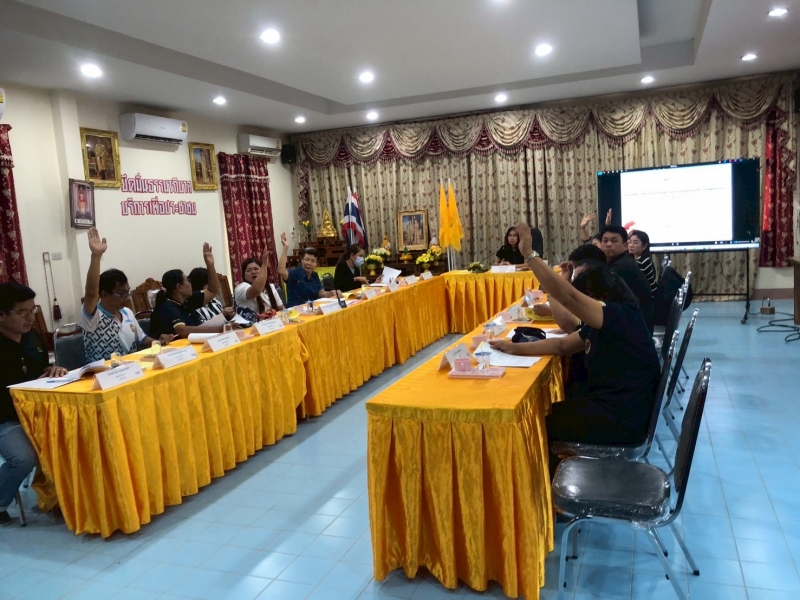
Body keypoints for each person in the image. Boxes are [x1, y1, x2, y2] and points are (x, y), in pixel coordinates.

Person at [489, 224, 660, 458]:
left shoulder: (618, 315)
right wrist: (512, 348)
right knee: (545, 409)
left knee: (533, 423)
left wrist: (529, 254)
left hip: (622, 417)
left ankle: (547, 477)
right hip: (613, 403)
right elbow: (561, 345)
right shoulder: (608, 316)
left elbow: (568, 297)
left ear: (597, 295)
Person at [0, 283, 68, 526]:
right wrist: (27, 389)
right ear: (1, 315)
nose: (30, 317)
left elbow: (41, 369)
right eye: (22, 312)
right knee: (23, 458)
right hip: (7, 418)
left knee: (75, 435)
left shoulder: (32, 337)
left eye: (33, 310)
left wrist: (53, 370)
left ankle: (70, 498)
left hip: (39, 412)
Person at [80, 228, 174, 362]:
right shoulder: (93, 317)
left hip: (131, 368)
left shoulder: (127, 313)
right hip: (104, 372)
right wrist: (96, 256)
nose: (127, 298)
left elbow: (142, 340)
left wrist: (158, 342)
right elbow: (90, 293)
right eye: (122, 294)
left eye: (127, 292)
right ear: (104, 294)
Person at [149, 243, 226, 338]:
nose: (191, 284)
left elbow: (213, 290)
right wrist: (219, 330)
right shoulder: (167, 306)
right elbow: (182, 330)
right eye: (188, 281)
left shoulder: (188, 300)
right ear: (179, 287)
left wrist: (210, 265)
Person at [600, 225, 654, 333]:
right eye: (605, 241)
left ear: (625, 245)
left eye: (614, 241)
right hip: (635, 323)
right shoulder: (622, 260)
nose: (608, 244)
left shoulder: (621, 267)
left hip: (637, 331)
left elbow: (603, 300)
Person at [278, 233, 335, 306]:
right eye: (307, 259)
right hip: (296, 311)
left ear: (316, 264)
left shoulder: (314, 275)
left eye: (313, 261)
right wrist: (285, 247)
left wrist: (332, 293)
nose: (309, 263)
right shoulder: (293, 274)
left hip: (313, 309)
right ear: (301, 260)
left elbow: (321, 293)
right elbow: (281, 270)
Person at [234, 250, 285, 321]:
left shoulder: (271, 287)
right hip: (252, 326)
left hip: (273, 323)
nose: (253, 272)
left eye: (256, 269)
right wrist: (264, 264)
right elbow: (257, 290)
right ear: (243, 275)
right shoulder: (241, 288)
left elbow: (281, 309)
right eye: (248, 270)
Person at [628, 229, 658, 295]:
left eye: (635, 242)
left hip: (648, 297)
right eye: (629, 242)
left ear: (644, 246)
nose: (631, 245)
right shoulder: (639, 259)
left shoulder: (642, 262)